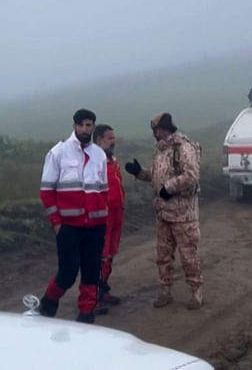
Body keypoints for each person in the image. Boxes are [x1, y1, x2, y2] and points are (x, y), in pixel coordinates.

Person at [125, 113, 203, 310]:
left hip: (183, 214)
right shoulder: (161, 149)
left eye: (155, 130)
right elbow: (156, 175)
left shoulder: (183, 147)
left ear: (162, 129)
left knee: (188, 255)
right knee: (163, 256)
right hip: (163, 213)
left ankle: (196, 291)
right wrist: (139, 172)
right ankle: (165, 291)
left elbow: (191, 176)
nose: (154, 134)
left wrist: (168, 188)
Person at [38, 109, 109, 323]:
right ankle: (49, 302)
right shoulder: (58, 153)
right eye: (82, 125)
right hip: (69, 226)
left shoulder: (99, 155)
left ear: (93, 127)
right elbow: (46, 191)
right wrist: (57, 223)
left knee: (91, 271)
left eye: (89, 126)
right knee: (68, 273)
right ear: (75, 126)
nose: (85, 129)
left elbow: (103, 190)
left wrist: (103, 220)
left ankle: (86, 314)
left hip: (95, 226)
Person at [93, 124, 125, 314]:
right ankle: (94, 295)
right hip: (102, 214)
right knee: (100, 254)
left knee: (111, 253)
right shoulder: (93, 162)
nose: (114, 141)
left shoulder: (112, 160)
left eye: (114, 137)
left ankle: (103, 290)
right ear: (98, 140)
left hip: (117, 211)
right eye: (109, 138)